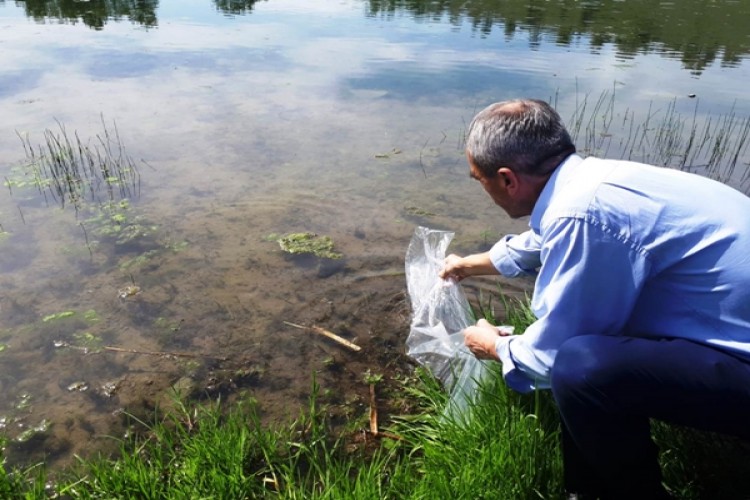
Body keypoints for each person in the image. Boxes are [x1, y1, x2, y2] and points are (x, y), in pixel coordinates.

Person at [439, 98, 750, 499]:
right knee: (584, 350)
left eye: (477, 179)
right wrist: (469, 264)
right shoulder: (593, 181)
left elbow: (550, 358)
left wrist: (495, 345)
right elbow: (544, 238)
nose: (481, 187)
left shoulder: (580, 214)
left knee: (580, 366)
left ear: (507, 180)